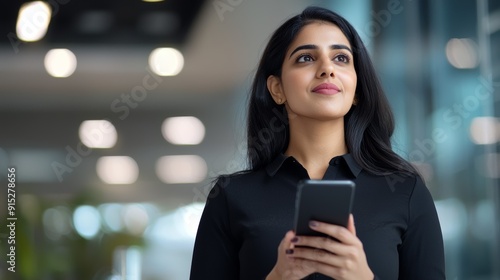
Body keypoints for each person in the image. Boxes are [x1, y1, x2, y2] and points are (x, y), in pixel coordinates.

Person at [190, 6, 445, 280]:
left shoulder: (406, 192)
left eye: (341, 58)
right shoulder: (231, 197)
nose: (327, 69)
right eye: (306, 58)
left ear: (357, 89)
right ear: (277, 88)